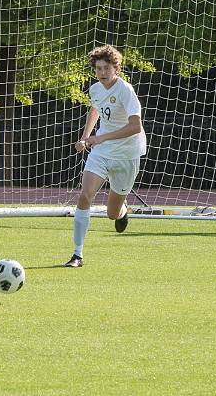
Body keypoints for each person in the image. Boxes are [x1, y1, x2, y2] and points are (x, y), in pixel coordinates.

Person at [63, 45, 147, 268]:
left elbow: (136, 127)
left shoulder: (125, 91)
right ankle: (77, 255)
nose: (101, 73)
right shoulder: (96, 89)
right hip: (102, 152)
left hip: (127, 155)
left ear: (116, 69)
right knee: (85, 195)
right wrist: (86, 137)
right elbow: (95, 110)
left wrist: (102, 138)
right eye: (98, 68)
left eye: (106, 68)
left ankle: (122, 210)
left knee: (111, 214)